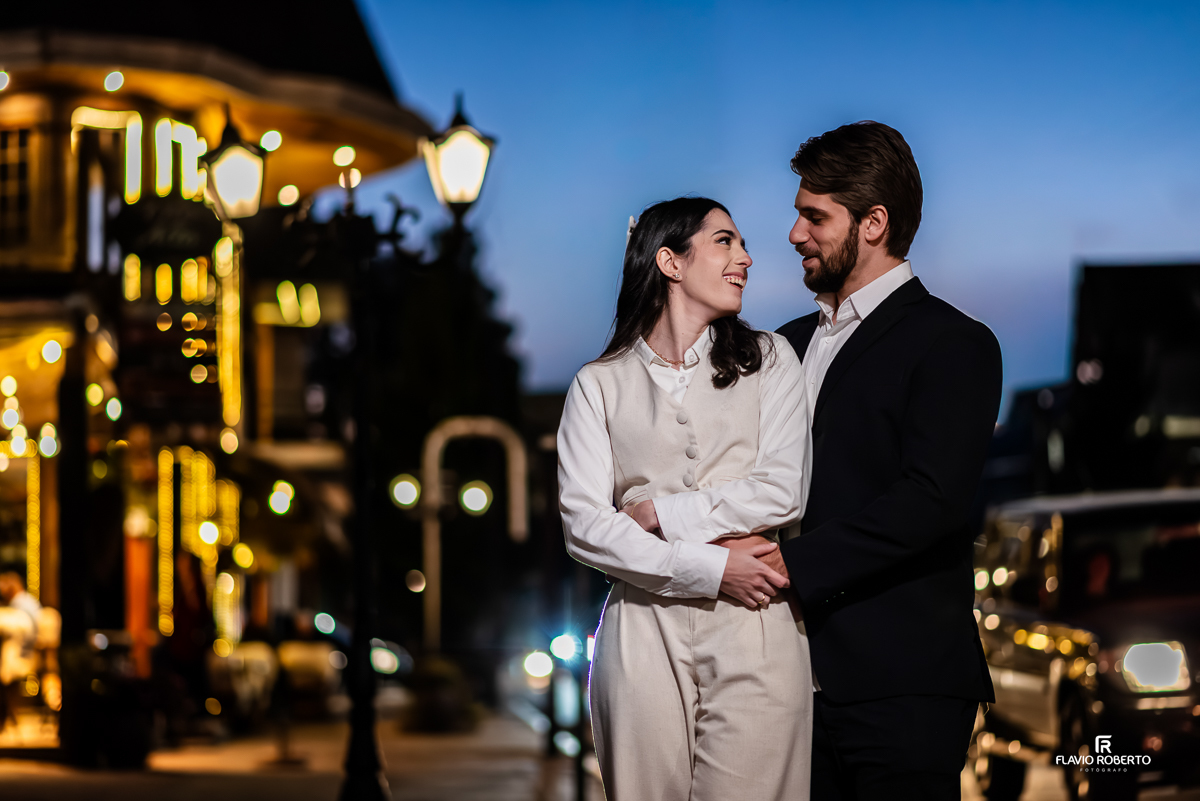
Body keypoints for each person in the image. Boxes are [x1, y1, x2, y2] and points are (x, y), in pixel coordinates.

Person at [764, 121, 1004, 799]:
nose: (795, 234)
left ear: (874, 222)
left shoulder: (954, 343)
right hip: (782, 686)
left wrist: (789, 564)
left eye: (814, 217)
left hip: (901, 688)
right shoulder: (783, 345)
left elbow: (929, 501)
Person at [558, 196, 812, 800]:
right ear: (669, 261)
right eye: (725, 241)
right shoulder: (598, 383)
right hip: (640, 631)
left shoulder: (772, 359)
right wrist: (713, 565)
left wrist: (654, 515)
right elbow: (584, 524)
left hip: (758, 624)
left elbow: (782, 491)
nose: (746, 258)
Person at [0, 571, 41, 731]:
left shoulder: (20, 604)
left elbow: (23, 631)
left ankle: (4, 716)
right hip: (26, 653)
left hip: (22, 655)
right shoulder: (27, 601)